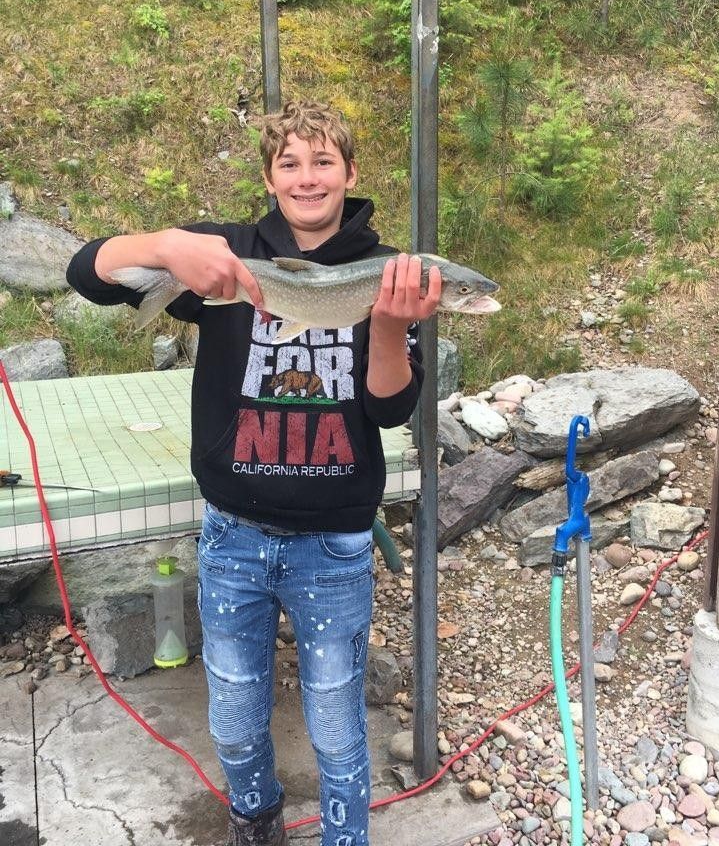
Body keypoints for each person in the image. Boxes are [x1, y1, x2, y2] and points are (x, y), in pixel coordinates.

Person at [66, 99, 441, 846]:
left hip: (334, 545)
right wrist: (170, 246)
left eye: (323, 162)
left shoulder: (393, 271)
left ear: (351, 172)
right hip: (231, 535)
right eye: (290, 163)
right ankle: (255, 821)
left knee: (337, 726)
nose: (307, 178)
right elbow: (89, 274)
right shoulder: (226, 253)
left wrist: (392, 325)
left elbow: (391, 409)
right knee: (234, 718)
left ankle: (345, 835)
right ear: (270, 176)